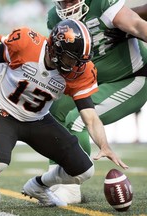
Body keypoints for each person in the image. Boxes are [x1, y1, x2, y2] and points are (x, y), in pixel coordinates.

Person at [0, 19, 128, 208]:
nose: (77, 65)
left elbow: (90, 117)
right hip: (4, 111)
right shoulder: (27, 45)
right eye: (72, 58)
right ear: (56, 48)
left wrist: (104, 145)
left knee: (84, 171)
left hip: (38, 119)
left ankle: (38, 186)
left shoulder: (79, 72)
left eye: (80, 60)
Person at [45, 0, 147, 204]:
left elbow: (137, 25)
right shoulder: (54, 17)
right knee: (53, 112)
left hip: (131, 78)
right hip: (91, 82)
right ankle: (56, 178)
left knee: (77, 120)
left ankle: (72, 186)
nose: (67, 5)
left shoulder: (102, 3)